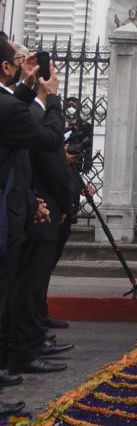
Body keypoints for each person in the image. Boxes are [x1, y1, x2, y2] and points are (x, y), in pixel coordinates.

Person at [0, 42, 64, 395]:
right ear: (5, 68)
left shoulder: (11, 102)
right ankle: (15, 354)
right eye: (14, 61)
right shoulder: (17, 108)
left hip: (19, 202)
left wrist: (25, 86)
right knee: (12, 290)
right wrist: (50, 97)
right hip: (10, 211)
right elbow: (50, 140)